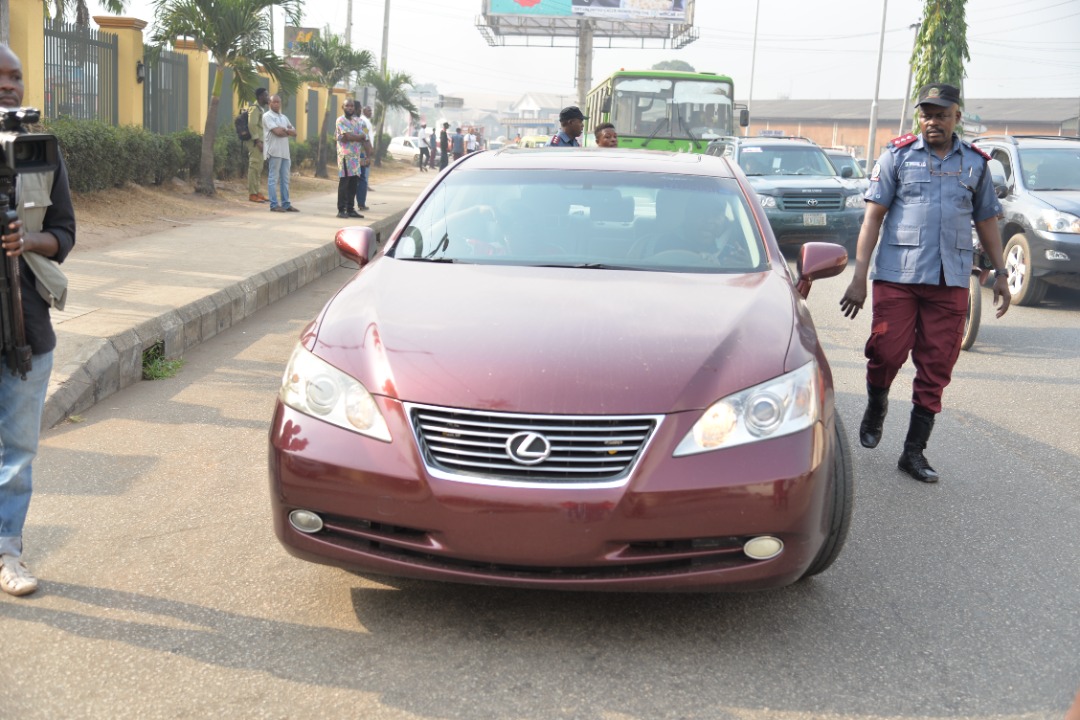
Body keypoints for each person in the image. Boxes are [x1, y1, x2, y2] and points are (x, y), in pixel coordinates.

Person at [839, 83, 1011, 483]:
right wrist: (859, 276)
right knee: (885, 351)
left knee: (937, 366)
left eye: (941, 114)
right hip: (898, 276)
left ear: (956, 118)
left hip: (950, 279)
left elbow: (986, 221)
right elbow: (873, 218)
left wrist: (1002, 273)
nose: (932, 121)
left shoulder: (975, 164)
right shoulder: (897, 156)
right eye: (926, 114)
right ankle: (876, 405)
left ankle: (913, 452)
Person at [0, 44, 77, 597]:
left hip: (25, 326)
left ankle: (8, 552)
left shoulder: (41, 151)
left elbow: (66, 233)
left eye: (17, 76)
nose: (9, 85)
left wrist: (28, 240)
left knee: (18, 452)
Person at [262, 94, 299, 212]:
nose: (277, 104)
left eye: (278, 102)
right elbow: (277, 132)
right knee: (273, 178)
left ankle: (286, 204)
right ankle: (273, 205)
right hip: (274, 151)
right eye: (274, 102)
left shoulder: (284, 117)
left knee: (285, 179)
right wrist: (286, 131)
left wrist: (285, 130)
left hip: (285, 152)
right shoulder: (267, 116)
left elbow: (295, 133)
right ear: (269, 103)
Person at [335, 99, 366, 219]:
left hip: (355, 157)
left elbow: (363, 136)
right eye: (347, 105)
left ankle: (350, 209)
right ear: (343, 107)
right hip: (345, 156)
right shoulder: (340, 120)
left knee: (354, 183)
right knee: (344, 183)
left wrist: (356, 137)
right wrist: (358, 137)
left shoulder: (358, 121)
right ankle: (341, 209)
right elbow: (348, 136)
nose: (350, 108)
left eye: (352, 106)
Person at [246, 87, 269, 203]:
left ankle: (257, 191)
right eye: (266, 95)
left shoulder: (261, 110)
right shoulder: (254, 109)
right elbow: (252, 125)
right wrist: (257, 141)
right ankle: (252, 194)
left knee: (259, 168)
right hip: (256, 143)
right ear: (260, 97)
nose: (268, 97)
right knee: (254, 166)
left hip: (261, 142)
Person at [354, 105, 374, 211]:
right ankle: (361, 203)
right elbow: (366, 139)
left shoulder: (343, 121)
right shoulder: (363, 122)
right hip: (361, 154)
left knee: (353, 180)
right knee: (362, 179)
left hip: (352, 155)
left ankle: (349, 206)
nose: (370, 112)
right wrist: (369, 153)